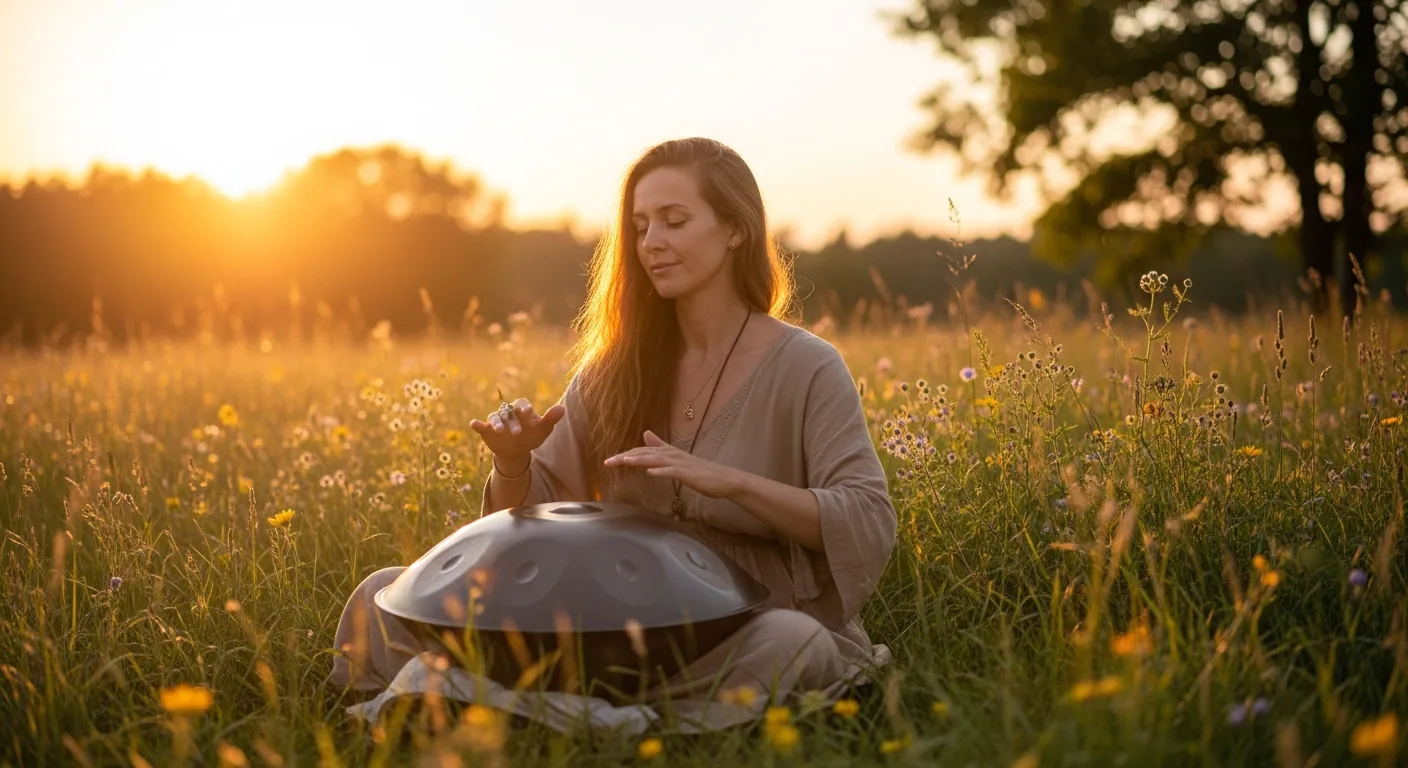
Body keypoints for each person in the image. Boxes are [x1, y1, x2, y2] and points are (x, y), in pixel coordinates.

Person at [331, 137, 897, 730]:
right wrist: (513, 465)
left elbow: (862, 516)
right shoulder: (613, 369)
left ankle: (514, 707)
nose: (653, 242)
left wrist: (730, 483)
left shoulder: (807, 366)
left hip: (738, 622)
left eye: (675, 221)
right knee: (383, 595)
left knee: (794, 642)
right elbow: (528, 541)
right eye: (641, 226)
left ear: (736, 230)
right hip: (613, 629)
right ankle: (595, 715)